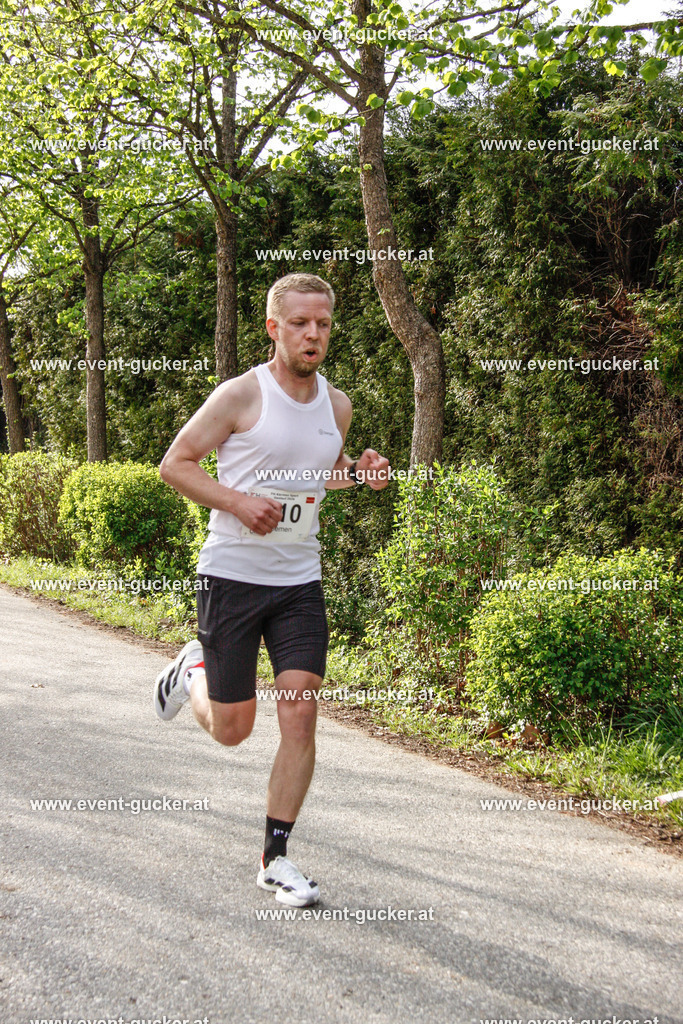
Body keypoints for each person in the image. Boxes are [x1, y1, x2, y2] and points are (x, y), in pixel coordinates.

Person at [154, 272, 390, 907]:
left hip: (298, 581)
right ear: (273, 329)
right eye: (300, 324)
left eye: (322, 324)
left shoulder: (337, 406)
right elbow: (174, 463)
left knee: (300, 709)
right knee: (233, 729)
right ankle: (191, 670)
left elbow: (321, 473)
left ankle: (275, 858)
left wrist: (360, 474)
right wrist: (237, 500)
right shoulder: (240, 395)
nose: (313, 335)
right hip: (232, 576)